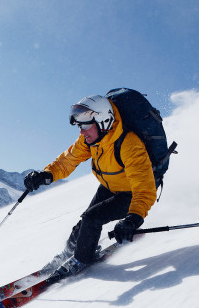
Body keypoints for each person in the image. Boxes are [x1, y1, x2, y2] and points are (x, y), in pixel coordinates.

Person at [24, 94, 157, 275]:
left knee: (92, 219)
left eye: (86, 125)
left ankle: (80, 260)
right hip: (110, 186)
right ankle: (67, 253)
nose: (82, 131)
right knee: (83, 224)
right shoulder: (91, 140)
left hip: (132, 193)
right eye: (80, 126)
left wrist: (133, 219)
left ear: (103, 120)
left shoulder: (129, 144)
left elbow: (144, 188)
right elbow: (68, 160)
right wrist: (46, 174)